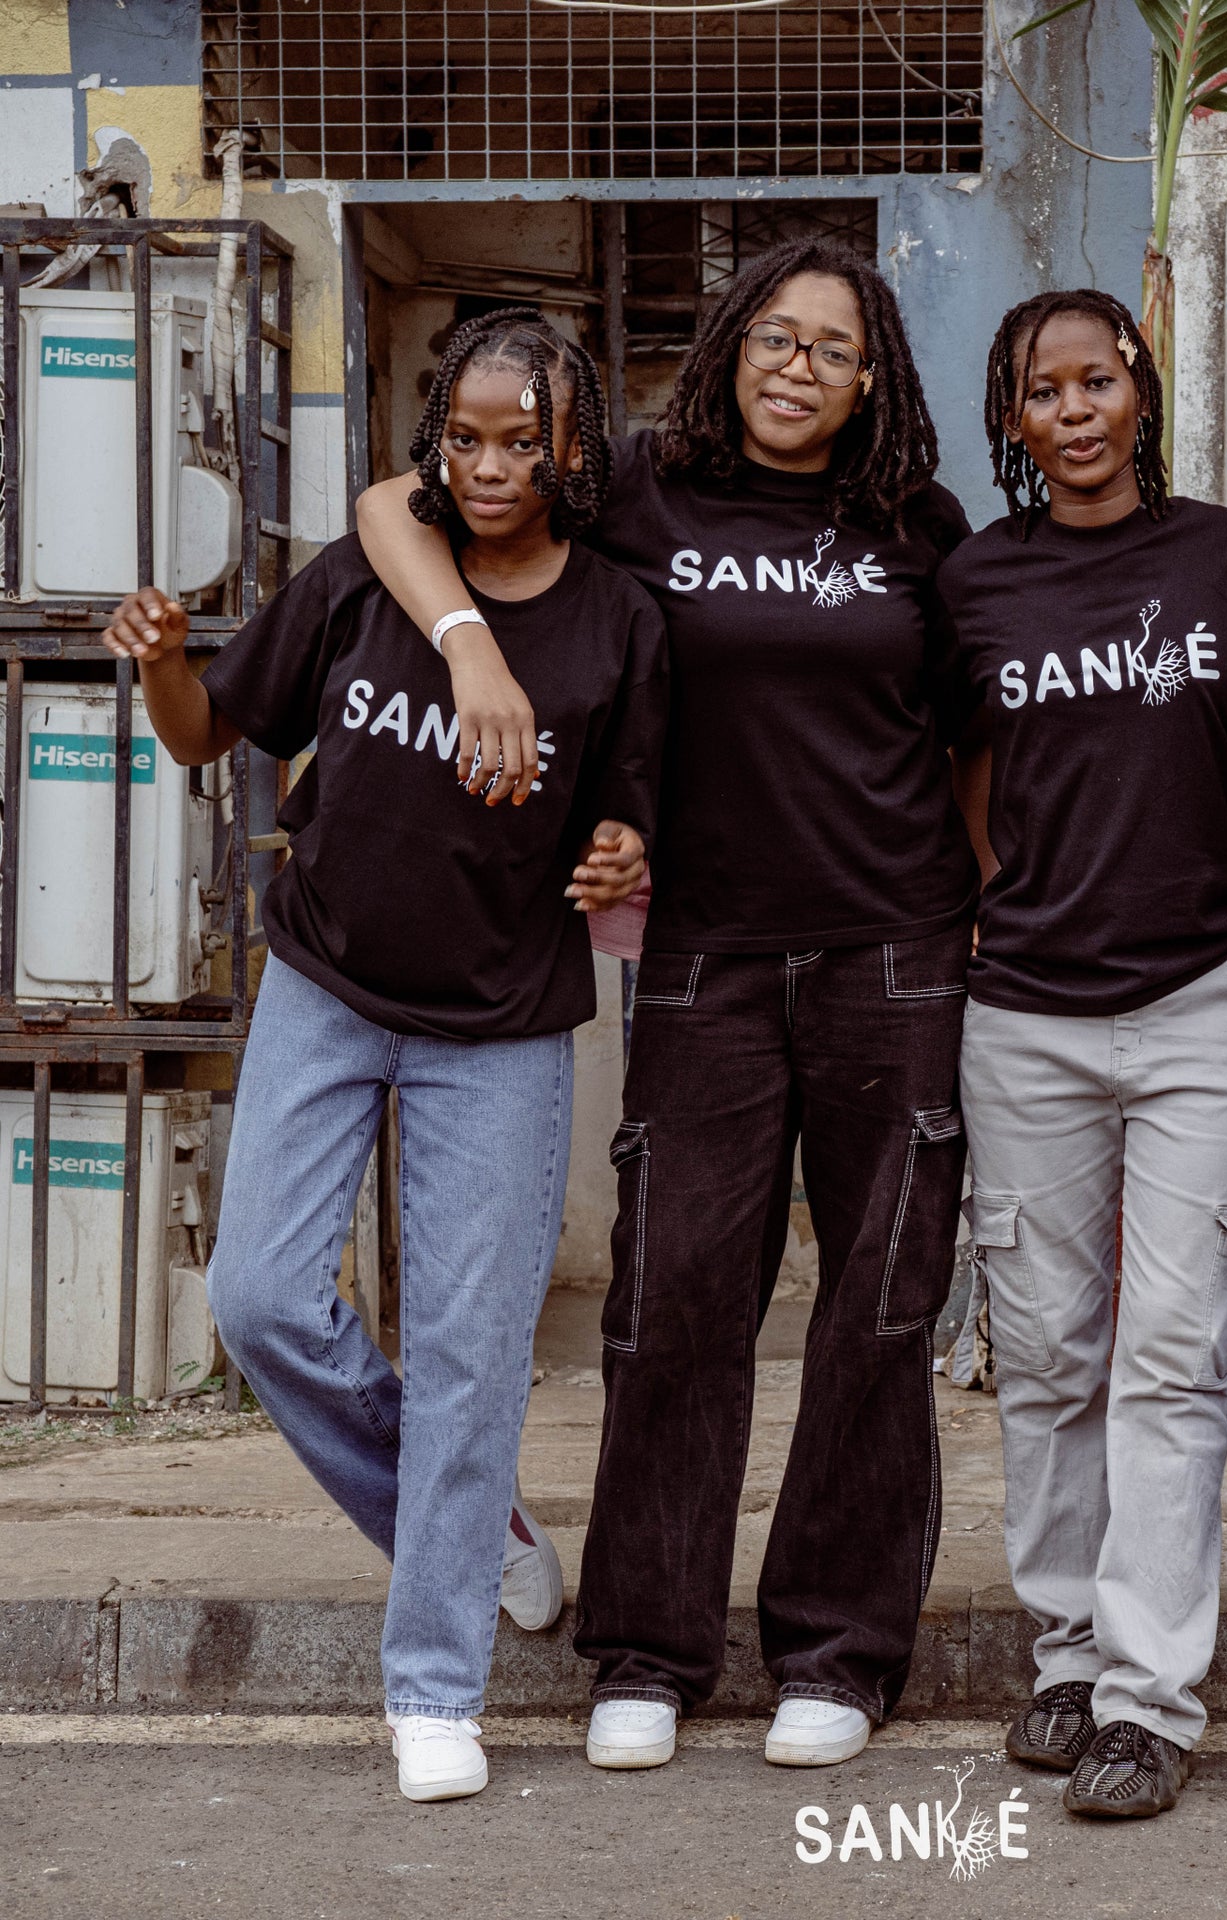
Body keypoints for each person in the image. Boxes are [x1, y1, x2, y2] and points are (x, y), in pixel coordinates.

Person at [353, 241, 976, 1771]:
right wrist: (469, 649)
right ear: (727, 348)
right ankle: (648, 1646)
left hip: (893, 953)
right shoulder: (637, 490)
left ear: (873, 376)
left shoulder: (914, 522)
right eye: (773, 336)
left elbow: (968, 740)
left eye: (833, 348)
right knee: (675, 1300)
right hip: (702, 954)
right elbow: (389, 509)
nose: (797, 366)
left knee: (877, 1307)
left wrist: (973, 914)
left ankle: (837, 1649)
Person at [103, 308, 666, 1803]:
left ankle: (434, 1688)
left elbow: (630, 816)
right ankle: (471, 1520)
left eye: (521, 441)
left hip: (502, 1023)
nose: (488, 466)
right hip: (326, 984)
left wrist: (619, 857)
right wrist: (161, 661)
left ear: (572, 449)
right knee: (264, 1298)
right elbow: (204, 732)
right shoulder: (365, 574)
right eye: (465, 437)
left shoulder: (617, 618)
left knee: (477, 1357)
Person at [940, 290, 1227, 1820]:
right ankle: (1067, 1660)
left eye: (1096, 381)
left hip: (1209, 1000)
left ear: (1139, 390)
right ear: (1013, 422)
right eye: (1041, 392)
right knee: (1048, 1353)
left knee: (1173, 1354)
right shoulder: (978, 581)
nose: (1074, 411)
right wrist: (1018, 893)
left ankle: (1150, 1700)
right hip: (1023, 1014)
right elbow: (969, 773)